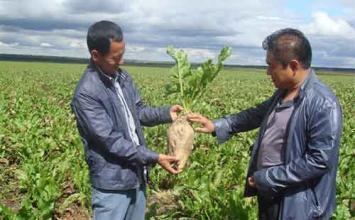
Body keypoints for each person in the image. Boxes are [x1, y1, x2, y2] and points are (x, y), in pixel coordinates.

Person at [188, 28, 342, 219]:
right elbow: (254, 115)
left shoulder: (322, 102)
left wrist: (268, 177)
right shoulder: (284, 92)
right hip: (271, 192)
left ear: (293, 66)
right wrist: (216, 125)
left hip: (298, 203)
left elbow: (319, 160)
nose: (268, 72)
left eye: (271, 66)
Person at [71, 20, 182, 220]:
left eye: (123, 54)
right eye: (116, 57)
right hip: (112, 186)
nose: (122, 61)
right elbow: (111, 141)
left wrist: (167, 114)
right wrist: (154, 157)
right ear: (96, 55)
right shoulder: (86, 94)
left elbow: (138, 112)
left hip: (136, 178)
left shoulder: (122, 78)